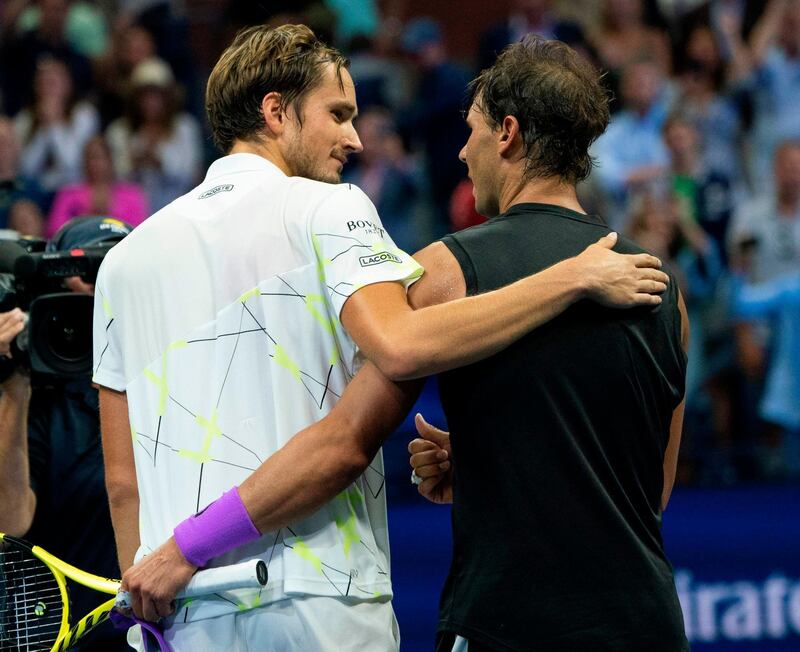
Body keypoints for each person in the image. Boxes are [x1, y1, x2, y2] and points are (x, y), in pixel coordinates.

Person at [94, 24, 669, 651]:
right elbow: (395, 351)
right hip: (320, 601)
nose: (355, 138)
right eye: (338, 114)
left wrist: (149, 590)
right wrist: (570, 279)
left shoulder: (122, 263)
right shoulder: (328, 208)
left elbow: (125, 484)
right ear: (276, 111)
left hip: (181, 612)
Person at [408, 36, 689, 651]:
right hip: (645, 627)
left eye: (473, 130)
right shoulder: (660, 285)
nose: (462, 150)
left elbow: (353, 428)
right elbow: (650, 489)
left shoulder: (444, 271)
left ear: (507, 132)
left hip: (507, 626)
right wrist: (493, 457)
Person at [0, 216, 133, 652]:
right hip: (61, 634)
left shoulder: (171, 384)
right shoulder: (31, 395)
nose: (103, 290)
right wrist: (13, 384)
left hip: (157, 632)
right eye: (91, 277)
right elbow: (10, 521)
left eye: (119, 274)